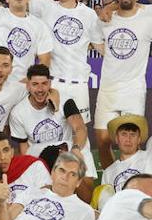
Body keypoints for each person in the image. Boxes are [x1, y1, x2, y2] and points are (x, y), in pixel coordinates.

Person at [24, 0, 104, 125]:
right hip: (53, 82)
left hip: (78, 84)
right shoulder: (47, 6)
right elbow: (19, 0)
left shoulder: (89, 15)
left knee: (79, 134)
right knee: (50, 131)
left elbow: (100, 47)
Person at [94, 0, 152, 167]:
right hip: (107, 88)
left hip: (134, 89)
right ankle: (111, 181)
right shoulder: (106, 19)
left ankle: (132, 182)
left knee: (131, 144)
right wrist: (114, 56)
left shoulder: (148, 19)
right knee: (103, 141)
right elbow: (96, 40)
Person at [8, 64, 92, 198]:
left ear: (50, 84)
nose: (40, 89)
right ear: (28, 85)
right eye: (35, 84)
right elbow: (24, 150)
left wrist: (75, 149)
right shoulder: (18, 112)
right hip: (41, 154)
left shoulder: (65, 100)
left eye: (44, 84)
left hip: (68, 148)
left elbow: (80, 128)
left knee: (86, 193)